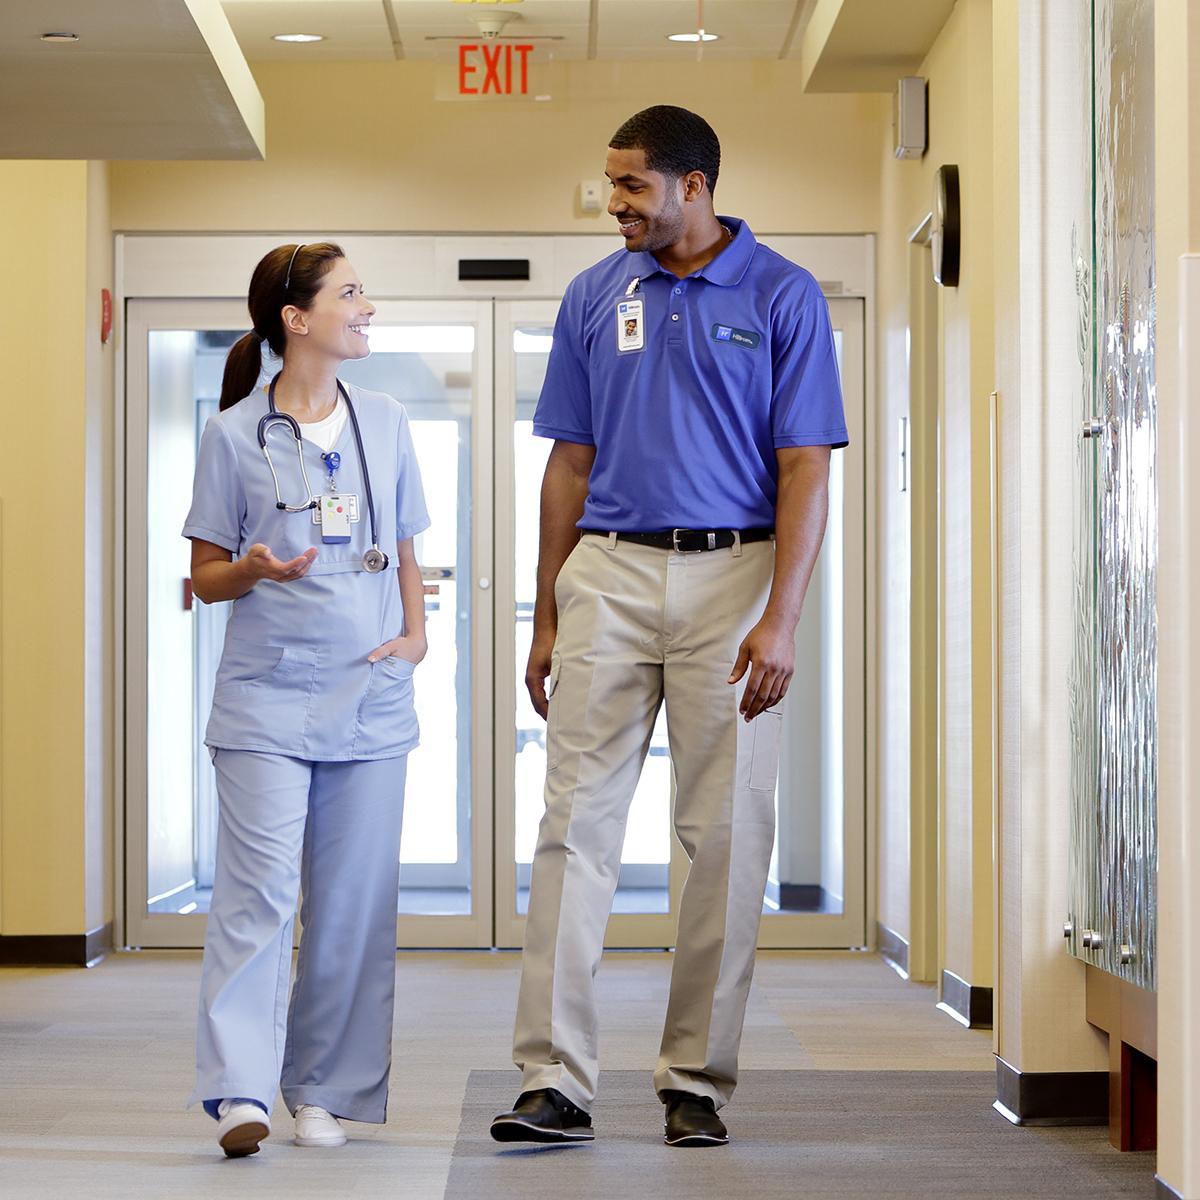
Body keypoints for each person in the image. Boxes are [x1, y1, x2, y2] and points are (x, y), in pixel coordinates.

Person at [490, 107, 847, 1149]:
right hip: (609, 571)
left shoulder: (781, 295)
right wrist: (549, 606)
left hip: (736, 582)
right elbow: (567, 460)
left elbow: (806, 466)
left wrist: (782, 618)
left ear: (694, 187)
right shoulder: (597, 295)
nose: (617, 205)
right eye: (613, 185)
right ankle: (554, 1079)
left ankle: (695, 1079)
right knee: (573, 829)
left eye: (633, 186)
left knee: (725, 840)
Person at [183, 242, 430, 1157]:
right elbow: (203, 576)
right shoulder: (232, 436)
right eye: (352, 293)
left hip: (370, 694)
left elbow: (405, 548)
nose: (367, 307)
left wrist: (415, 636)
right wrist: (245, 566)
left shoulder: (388, 419)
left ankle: (323, 1090)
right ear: (297, 318)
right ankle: (240, 1091)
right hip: (265, 702)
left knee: (353, 906)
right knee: (257, 900)